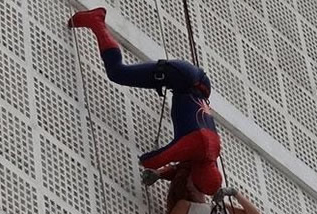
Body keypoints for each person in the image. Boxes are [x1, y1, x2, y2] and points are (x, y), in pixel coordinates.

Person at [68, 7, 222, 195]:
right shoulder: (197, 144)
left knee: (122, 73)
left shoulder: (213, 150)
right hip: (182, 78)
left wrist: (161, 175)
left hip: (199, 84)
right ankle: (96, 21)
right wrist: (149, 166)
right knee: (118, 73)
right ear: (197, 176)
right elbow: (154, 160)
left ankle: (96, 22)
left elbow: (182, 164)